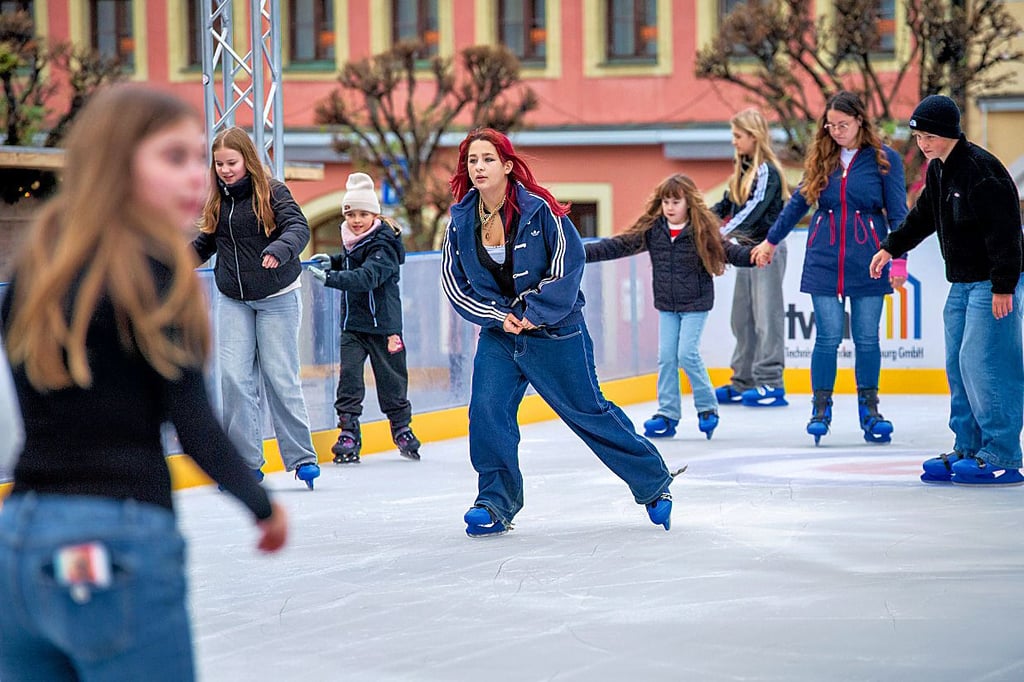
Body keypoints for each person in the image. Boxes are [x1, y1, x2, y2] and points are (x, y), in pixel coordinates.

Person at [0, 84, 287, 681]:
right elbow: (194, 424)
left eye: (200, 159)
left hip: (22, 541)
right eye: (175, 157)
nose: (198, 177)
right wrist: (260, 506)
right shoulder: (152, 276)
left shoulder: (37, 269)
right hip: (117, 540)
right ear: (117, 163)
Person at [441, 128, 676, 537]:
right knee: (487, 411)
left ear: (507, 166)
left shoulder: (541, 210)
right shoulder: (460, 221)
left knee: (588, 412)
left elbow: (570, 263)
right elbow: (455, 283)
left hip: (556, 331)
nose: (479, 167)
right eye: (472, 161)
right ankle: (494, 502)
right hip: (500, 334)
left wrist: (534, 312)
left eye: (488, 159)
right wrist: (498, 316)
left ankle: (654, 483)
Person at [869, 95, 1024, 486]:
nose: (923, 143)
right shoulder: (939, 170)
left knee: (986, 363)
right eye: (919, 136)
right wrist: (891, 247)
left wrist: (1004, 285)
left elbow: (1007, 232)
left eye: (930, 136)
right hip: (962, 283)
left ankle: (1003, 453)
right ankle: (968, 446)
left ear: (949, 132)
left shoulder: (981, 171)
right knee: (958, 363)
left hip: (993, 284)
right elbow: (923, 217)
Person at [752, 91, 908, 445]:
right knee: (827, 336)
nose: (836, 131)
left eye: (843, 124)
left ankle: (870, 411)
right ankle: (820, 410)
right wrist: (771, 241)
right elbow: (797, 204)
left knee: (866, 337)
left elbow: (899, 213)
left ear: (859, 122)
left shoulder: (885, 160)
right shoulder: (823, 158)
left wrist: (899, 258)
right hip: (823, 258)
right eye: (831, 125)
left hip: (870, 259)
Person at [194, 127, 321, 489]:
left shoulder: (272, 191)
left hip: (277, 296)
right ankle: (246, 464)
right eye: (219, 164)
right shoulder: (217, 199)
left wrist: (280, 249)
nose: (225, 170)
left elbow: (298, 228)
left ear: (247, 160)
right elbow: (206, 242)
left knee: (279, 377)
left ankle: (302, 458)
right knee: (233, 379)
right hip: (233, 297)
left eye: (231, 163)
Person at [585, 174, 757, 440]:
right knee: (666, 357)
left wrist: (753, 256)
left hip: (696, 303)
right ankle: (667, 413)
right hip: (667, 304)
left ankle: (707, 408)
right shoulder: (654, 230)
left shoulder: (701, 231)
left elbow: (729, 252)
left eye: (676, 202)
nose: (670, 207)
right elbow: (619, 245)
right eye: (666, 201)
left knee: (687, 354)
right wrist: (581, 253)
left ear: (689, 203)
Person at [308, 172, 421, 463]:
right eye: (350, 214)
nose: (356, 220)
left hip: (384, 327)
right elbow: (353, 263)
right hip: (354, 327)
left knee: (391, 380)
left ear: (375, 215)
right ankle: (348, 430)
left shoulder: (384, 245)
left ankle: (401, 427)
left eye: (363, 214)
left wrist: (331, 278)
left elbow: (367, 276)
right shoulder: (352, 240)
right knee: (349, 380)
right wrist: (333, 261)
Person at [711, 108, 791, 408]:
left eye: (738, 136)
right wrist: (700, 222)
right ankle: (743, 380)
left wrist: (719, 235)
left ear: (754, 136)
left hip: (767, 249)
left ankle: (771, 381)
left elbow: (753, 211)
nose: (734, 141)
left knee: (767, 316)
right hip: (746, 250)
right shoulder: (741, 171)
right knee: (742, 316)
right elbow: (726, 205)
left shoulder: (767, 171)